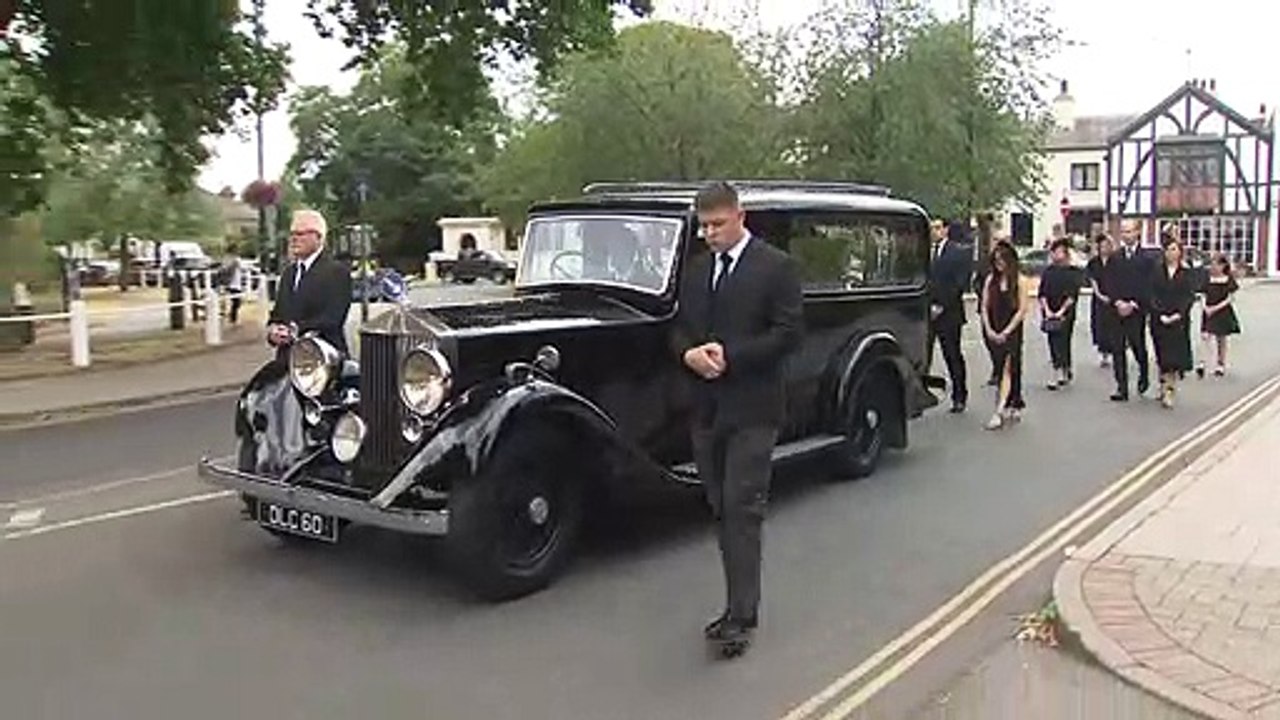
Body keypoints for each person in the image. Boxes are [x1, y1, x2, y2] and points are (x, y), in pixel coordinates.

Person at [670, 181, 803, 658]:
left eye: (717, 224)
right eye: (703, 226)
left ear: (739, 217)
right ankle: (734, 606)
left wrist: (733, 356)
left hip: (754, 410)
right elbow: (679, 328)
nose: (709, 234)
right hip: (707, 412)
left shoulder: (776, 267)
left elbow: (789, 333)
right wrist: (689, 354)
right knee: (722, 511)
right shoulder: (696, 271)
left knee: (742, 510)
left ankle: (742, 616)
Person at [267, 209, 353, 358]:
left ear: (318, 237)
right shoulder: (289, 273)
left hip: (323, 360)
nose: (294, 239)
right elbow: (278, 313)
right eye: (292, 234)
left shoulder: (337, 272)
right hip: (288, 360)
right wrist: (273, 330)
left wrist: (295, 330)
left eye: (300, 234)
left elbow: (333, 318)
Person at [1099, 221, 1153, 402]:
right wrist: (1117, 302)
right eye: (1123, 232)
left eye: (1129, 231)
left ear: (1138, 232)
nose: (1126, 235)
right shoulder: (1115, 258)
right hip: (1117, 311)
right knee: (1117, 349)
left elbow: (1148, 286)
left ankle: (1143, 375)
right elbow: (1109, 283)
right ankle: (1122, 387)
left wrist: (1134, 304)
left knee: (1138, 346)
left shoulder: (1147, 258)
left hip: (1136, 310)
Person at [980, 241, 1030, 430]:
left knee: (1008, 368)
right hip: (993, 327)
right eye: (996, 261)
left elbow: (1022, 309)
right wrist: (989, 329)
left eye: (1002, 260)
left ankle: (998, 411)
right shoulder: (990, 280)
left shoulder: (1020, 281)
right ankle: (1014, 400)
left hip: (1012, 329)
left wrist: (1007, 331)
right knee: (1001, 367)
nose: (999, 264)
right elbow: (984, 306)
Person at [927, 217, 973, 413]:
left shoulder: (957, 253)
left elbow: (959, 284)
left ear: (946, 230)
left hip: (949, 313)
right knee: (923, 356)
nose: (934, 232)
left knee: (952, 355)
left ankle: (960, 395)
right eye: (931, 228)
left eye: (937, 228)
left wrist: (941, 306)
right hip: (925, 314)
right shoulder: (924, 251)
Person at [1149, 234, 1196, 408]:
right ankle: (1162, 385)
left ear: (1180, 252)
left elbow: (1188, 297)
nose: (1171, 253)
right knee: (1161, 354)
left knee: (1173, 357)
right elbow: (1152, 294)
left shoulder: (1186, 273)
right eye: (1168, 249)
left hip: (1178, 321)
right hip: (1159, 319)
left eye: (1175, 249)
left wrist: (1178, 314)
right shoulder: (1157, 271)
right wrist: (1160, 313)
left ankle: (1170, 390)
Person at [1038, 237, 1082, 390]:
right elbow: (1042, 293)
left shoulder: (1073, 272)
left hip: (1066, 312)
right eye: (1054, 252)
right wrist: (1048, 311)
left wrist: (1061, 311)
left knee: (1064, 340)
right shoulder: (1048, 272)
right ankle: (1056, 369)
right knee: (1052, 340)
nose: (1056, 255)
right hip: (1049, 310)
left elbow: (1072, 295)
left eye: (1059, 252)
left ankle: (1064, 368)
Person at [1196, 254, 1241, 378]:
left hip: (1222, 311)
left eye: (1216, 264)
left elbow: (1230, 298)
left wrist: (1216, 308)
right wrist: (1205, 307)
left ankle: (1220, 364)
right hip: (1208, 310)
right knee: (1205, 336)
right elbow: (1202, 295)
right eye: (1211, 264)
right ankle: (1202, 363)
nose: (1213, 267)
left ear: (1223, 266)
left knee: (1221, 338)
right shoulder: (1207, 279)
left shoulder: (1228, 279)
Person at [1085, 233, 1116, 367]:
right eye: (1101, 246)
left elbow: (1120, 279)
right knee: (1100, 325)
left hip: (1114, 298)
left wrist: (1114, 296)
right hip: (1099, 299)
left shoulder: (1116, 261)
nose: (1104, 248)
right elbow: (1093, 280)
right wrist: (1099, 295)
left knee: (1114, 326)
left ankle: (1115, 351)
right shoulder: (1094, 262)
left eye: (1106, 245)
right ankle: (1104, 355)